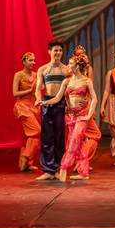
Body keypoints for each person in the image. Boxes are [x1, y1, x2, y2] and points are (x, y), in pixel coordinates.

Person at [38, 50, 98, 181]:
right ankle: (83, 172)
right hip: (71, 116)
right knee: (79, 143)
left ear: (76, 66)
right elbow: (58, 97)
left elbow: (94, 99)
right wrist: (45, 102)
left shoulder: (87, 81)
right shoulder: (66, 81)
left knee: (74, 141)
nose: (68, 65)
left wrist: (88, 116)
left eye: (70, 63)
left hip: (82, 115)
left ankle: (64, 167)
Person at [34, 40, 69, 180]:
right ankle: (48, 170)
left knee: (59, 137)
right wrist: (38, 99)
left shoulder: (66, 70)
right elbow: (38, 88)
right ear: (49, 52)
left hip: (61, 104)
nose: (58, 53)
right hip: (47, 104)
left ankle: (58, 168)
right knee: (47, 137)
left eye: (60, 50)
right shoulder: (43, 69)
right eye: (55, 50)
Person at [12, 52, 41, 171]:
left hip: (33, 106)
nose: (33, 62)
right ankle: (25, 157)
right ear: (24, 62)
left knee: (27, 135)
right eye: (30, 60)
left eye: (34, 60)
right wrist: (29, 90)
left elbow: (38, 91)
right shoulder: (18, 75)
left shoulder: (36, 75)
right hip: (23, 106)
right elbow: (15, 93)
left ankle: (27, 163)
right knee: (36, 130)